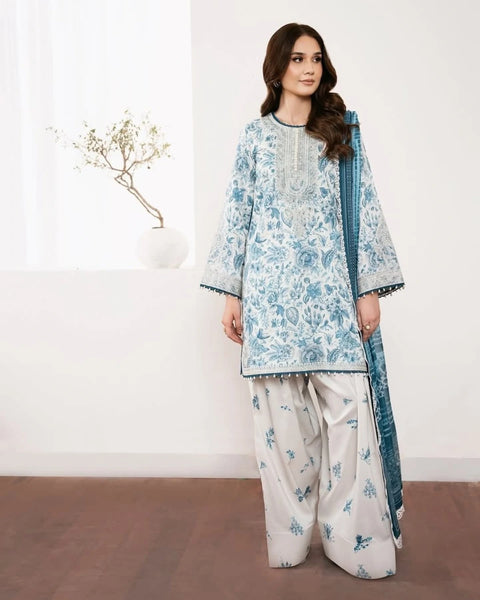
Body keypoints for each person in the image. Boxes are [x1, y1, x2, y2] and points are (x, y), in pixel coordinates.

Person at [199, 22, 405, 580]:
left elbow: (365, 208)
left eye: (316, 58)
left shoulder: (341, 133)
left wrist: (367, 290)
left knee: (351, 421)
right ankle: (290, 537)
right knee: (283, 434)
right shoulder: (254, 137)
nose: (309, 68)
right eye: (297, 59)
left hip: (333, 299)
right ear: (277, 68)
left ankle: (354, 541)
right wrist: (231, 294)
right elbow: (237, 213)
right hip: (271, 304)